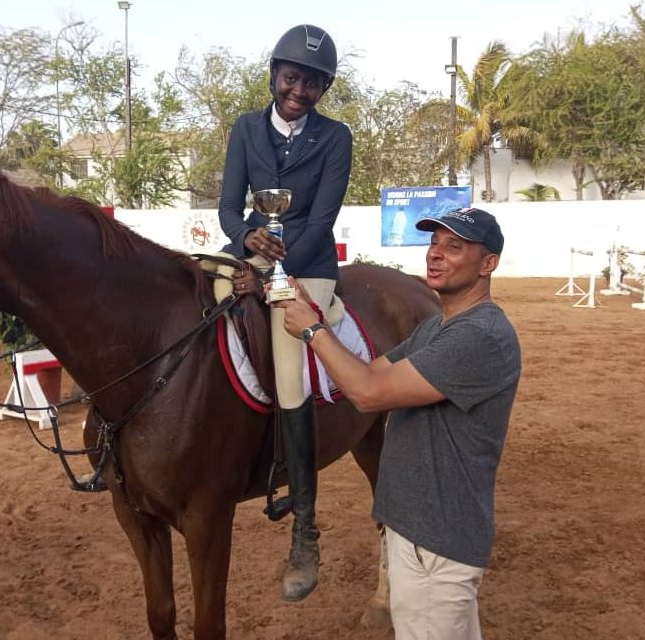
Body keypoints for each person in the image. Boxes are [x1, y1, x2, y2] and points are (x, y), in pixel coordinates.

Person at [276, 207, 521, 639]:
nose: (436, 254)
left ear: (488, 264)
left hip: (434, 542)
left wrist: (312, 331)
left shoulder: (477, 336)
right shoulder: (437, 329)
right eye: (434, 243)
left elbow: (368, 393)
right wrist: (312, 309)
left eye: (454, 247)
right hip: (419, 532)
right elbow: (368, 372)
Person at [217, 24, 353, 602]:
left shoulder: (336, 137)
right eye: (292, 78)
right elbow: (229, 206)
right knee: (187, 308)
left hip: (307, 263)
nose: (299, 91)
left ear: (323, 89)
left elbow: (321, 220)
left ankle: (305, 528)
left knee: (290, 373)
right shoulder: (246, 128)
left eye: (312, 84)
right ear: (275, 75)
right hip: (250, 250)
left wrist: (273, 271)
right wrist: (246, 237)